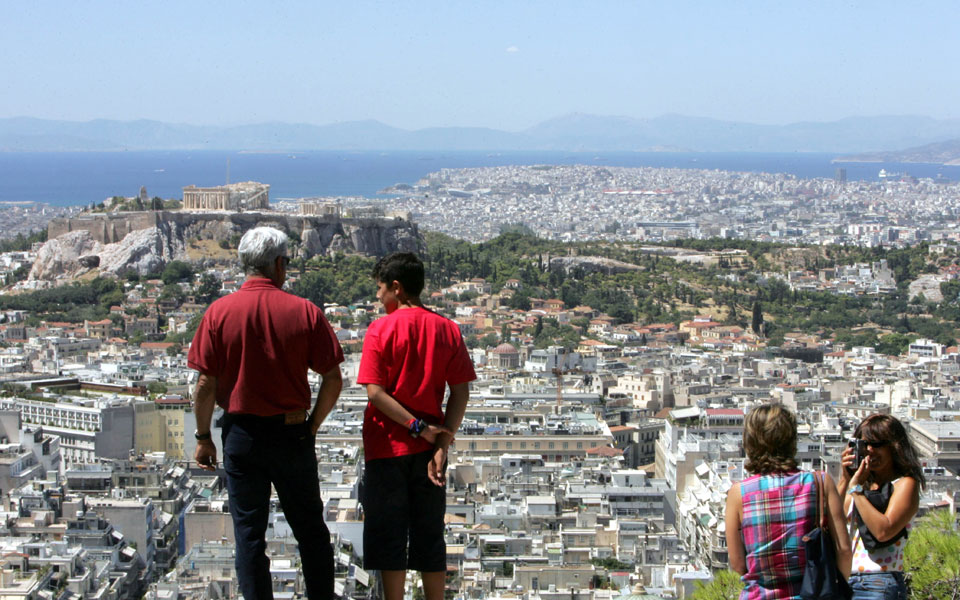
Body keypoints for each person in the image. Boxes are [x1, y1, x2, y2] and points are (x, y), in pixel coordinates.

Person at [188, 227, 343, 600]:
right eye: (286, 262)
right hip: (292, 434)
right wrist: (313, 426)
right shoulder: (305, 312)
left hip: (241, 436)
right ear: (277, 264)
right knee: (310, 530)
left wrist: (203, 436)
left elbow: (205, 384)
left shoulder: (218, 313)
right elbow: (333, 379)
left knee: (249, 535)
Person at [356, 252, 476, 600]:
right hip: (430, 453)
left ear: (397, 287)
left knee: (389, 537)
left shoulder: (380, 329)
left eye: (380, 289)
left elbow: (375, 393)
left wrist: (416, 426)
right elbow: (461, 392)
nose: (378, 298)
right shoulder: (447, 330)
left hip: (386, 447)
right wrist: (441, 443)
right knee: (429, 534)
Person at [726, 404, 852, 600]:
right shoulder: (820, 483)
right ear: (792, 440)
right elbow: (843, 550)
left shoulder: (739, 494)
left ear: (750, 441)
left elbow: (738, 564)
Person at [837, 414, 924, 600]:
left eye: (876, 444)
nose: (869, 451)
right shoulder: (861, 484)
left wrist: (856, 491)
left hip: (879, 579)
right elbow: (834, 518)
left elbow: (883, 530)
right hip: (845, 580)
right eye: (863, 445)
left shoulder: (905, 484)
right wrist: (845, 478)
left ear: (894, 446)